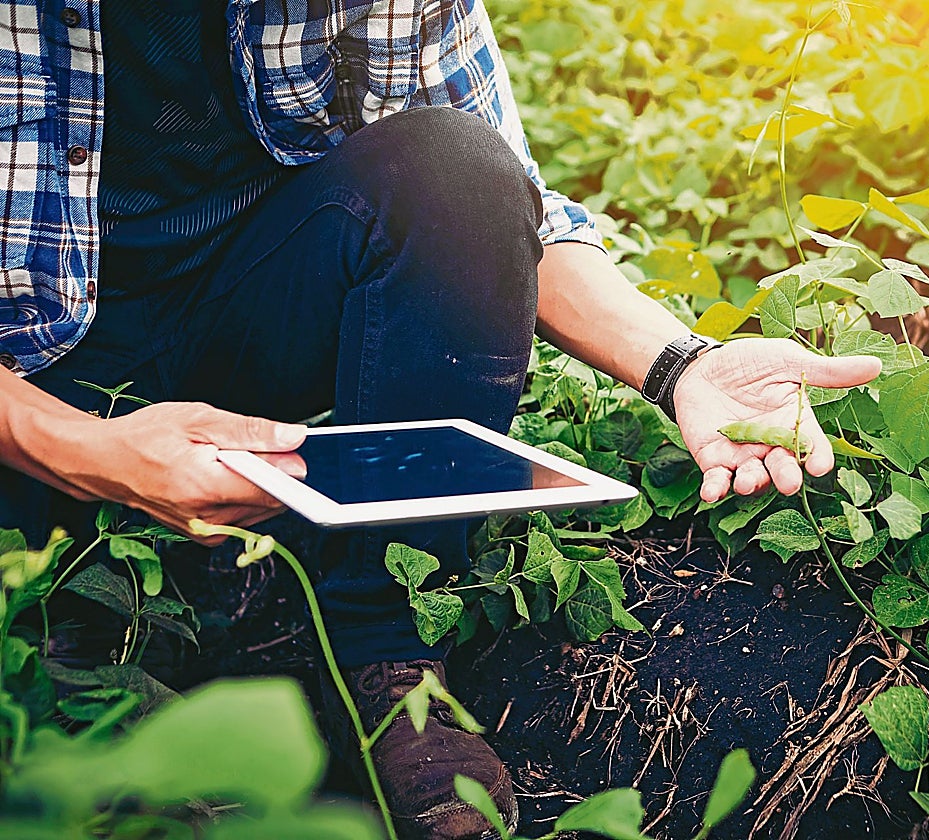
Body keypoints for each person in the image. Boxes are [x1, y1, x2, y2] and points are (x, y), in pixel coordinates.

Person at [0, 1, 881, 837]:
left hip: (254, 299)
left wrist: (683, 363)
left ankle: (388, 655)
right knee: (50, 675)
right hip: (29, 363)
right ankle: (71, 673)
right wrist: (80, 449)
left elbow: (505, 202)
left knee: (457, 168)